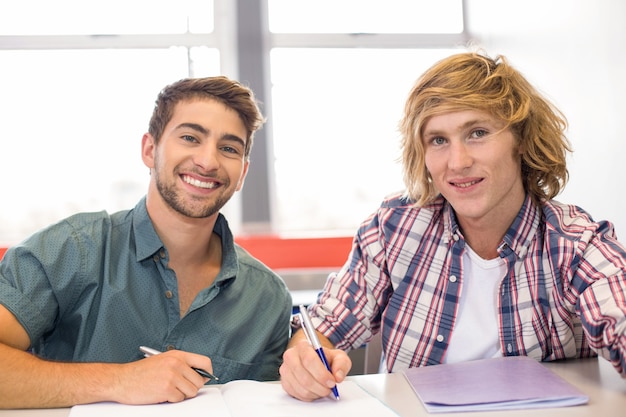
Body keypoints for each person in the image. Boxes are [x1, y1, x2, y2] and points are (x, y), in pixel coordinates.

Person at [279, 51, 626, 401]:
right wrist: (304, 360)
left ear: (520, 140)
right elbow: (321, 328)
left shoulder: (574, 243)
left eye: (477, 132)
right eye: (439, 140)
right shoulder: (395, 227)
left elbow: (619, 314)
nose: (458, 162)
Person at [0, 76, 293, 408]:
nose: (208, 161)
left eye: (228, 148)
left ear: (242, 173)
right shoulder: (68, 252)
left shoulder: (267, 299)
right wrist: (119, 381)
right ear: (150, 150)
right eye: (190, 137)